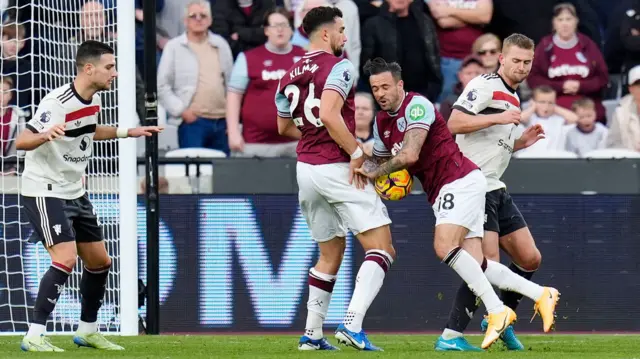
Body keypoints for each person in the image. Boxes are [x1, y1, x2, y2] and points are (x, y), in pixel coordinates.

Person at [357, 57, 559, 350]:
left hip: (459, 180)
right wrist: (362, 162)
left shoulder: (417, 106)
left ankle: (498, 310)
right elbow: (379, 159)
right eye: (375, 88)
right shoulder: (380, 122)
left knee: (444, 246)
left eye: (385, 86)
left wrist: (375, 173)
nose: (380, 93)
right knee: (476, 263)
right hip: (447, 189)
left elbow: (410, 156)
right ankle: (539, 294)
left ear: (399, 85)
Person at [15, 40, 163, 352]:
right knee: (65, 258)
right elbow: (22, 141)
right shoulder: (57, 102)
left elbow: (87, 129)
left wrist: (127, 132)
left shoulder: (91, 99)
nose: (115, 73)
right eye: (110, 67)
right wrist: (44, 135)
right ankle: (34, 334)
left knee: (100, 262)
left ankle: (87, 330)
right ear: (88, 68)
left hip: (74, 191)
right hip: (46, 190)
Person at [274, 6, 395, 352]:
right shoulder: (339, 66)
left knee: (330, 253)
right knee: (382, 247)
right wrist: (358, 154)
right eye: (342, 30)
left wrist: (314, 137)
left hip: (306, 170)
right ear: (325, 34)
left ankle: (312, 336)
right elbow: (328, 113)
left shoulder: (289, 74)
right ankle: (352, 325)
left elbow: (283, 126)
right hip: (336, 166)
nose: (346, 36)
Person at [442, 33, 560, 351]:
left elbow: (494, 140)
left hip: (495, 186)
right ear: (502, 59)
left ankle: (501, 316)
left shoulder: (513, 95)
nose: (521, 67)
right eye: (516, 61)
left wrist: (522, 141)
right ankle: (452, 335)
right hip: (473, 184)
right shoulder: (485, 85)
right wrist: (499, 117)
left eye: (527, 62)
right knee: (485, 262)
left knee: (529, 257)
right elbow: (453, 122)